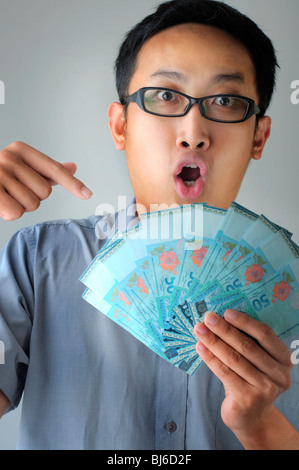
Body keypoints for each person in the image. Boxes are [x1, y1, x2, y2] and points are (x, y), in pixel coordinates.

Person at [0, 0, 298, 450]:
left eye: (225, 100)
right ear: (120, 126)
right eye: (165, 96)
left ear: (258, 136)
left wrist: (259, 426)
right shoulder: (38, 261)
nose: (193, 131)